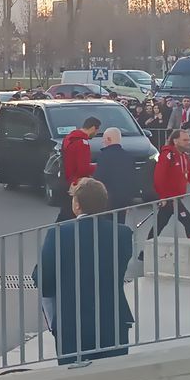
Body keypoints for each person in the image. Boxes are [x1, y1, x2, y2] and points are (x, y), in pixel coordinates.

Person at [37, 178, 134, 365]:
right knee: (112, 372)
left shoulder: (59, 233)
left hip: (73, 321)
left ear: (77, 205)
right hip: (112, 318)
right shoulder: (122, 233)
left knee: (74, 374)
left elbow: (44, 279)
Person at [153, 128, 190, 238]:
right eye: (185, 140)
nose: (188, 142)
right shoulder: (167, 155)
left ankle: (147, 246)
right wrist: (162, 197)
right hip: (170, 198)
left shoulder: (184, 156)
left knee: (160, 223)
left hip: (175, 197)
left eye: (189, 139)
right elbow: (159, 176)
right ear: (175, 141)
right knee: (188, 220)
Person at [57, 116, 100, 222]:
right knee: (72, 214)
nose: (96, 133)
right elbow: (83, 168)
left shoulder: (69, 138)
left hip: (66, 179)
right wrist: (97, 167)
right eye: (97, 130)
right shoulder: (83, 143)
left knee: (66, 212)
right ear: (93, 128)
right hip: (76, 183)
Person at [93, 127, 137, 223]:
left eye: (104, 139)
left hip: (107, 199)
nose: (102, 141)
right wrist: (129, 201)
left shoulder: (103, 156)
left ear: (109, 139)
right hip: (123, 199)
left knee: (106, 226)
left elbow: (99, 178)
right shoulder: (128, 157)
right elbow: (132, 180)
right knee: (120, 224)